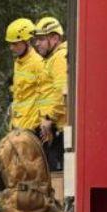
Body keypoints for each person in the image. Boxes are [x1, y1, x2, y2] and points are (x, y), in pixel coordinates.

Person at [32, 15, 70, 172]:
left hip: (58, 128)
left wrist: (49, 118)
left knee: (55, 177)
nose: (36, 44)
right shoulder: (53, 58)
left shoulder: (59, 58)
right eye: (36, 40)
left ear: (55, 38)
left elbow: (62, 92)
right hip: (53, 127)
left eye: (41, 39)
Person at [4, 18, 49, 133]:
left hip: (31, 128)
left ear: (27, 41)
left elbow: (45, 94)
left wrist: (44, 119)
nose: (11, 48)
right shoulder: (18, 63)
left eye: (15, 44)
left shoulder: (38, 64)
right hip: (16, 125)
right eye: (10, 44)